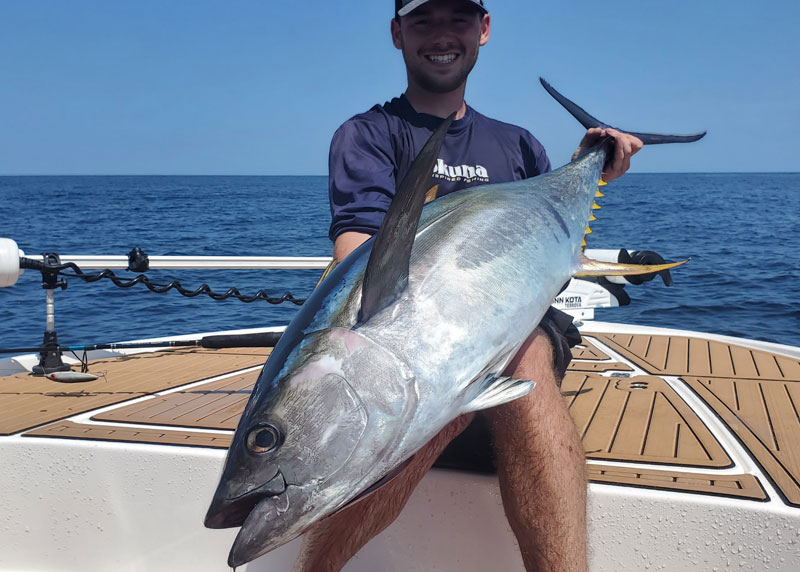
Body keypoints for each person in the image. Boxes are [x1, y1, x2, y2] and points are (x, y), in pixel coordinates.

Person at [294, 1, 643, 571]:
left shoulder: (520, 144)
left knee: (521, 353)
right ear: (397, 34)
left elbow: (546, 245)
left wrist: (589, 166)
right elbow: (356, 258)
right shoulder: (368, 136)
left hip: (518, 323)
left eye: (457, 19)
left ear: (482, 30)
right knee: (449, 365)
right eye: (423, 21)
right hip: (413, 331)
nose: (441, 35)